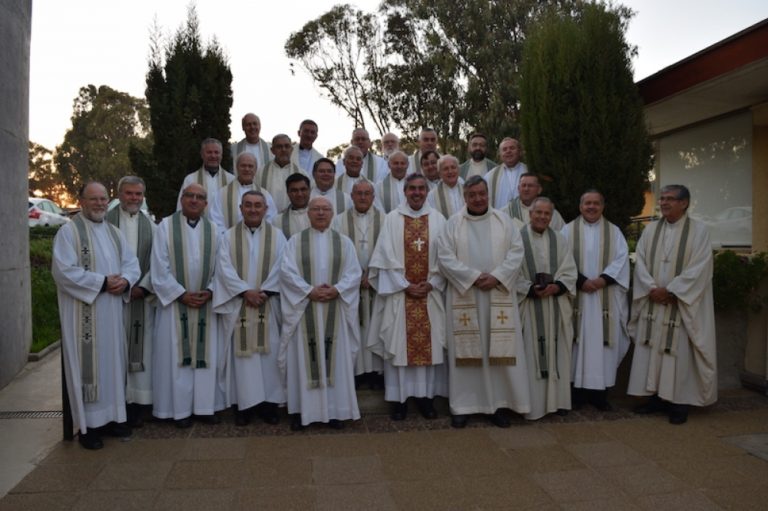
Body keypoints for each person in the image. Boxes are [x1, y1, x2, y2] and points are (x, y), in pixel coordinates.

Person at [437, 176, 530, 428]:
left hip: (497, 293)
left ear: (488, 194)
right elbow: (444, 257)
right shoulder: (452, 224)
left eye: (481, 193)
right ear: (464, 197)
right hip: (465, 294)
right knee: (466, 353)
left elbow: (516, 252)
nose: (478, 198)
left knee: (497, 351)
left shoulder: (504, 221)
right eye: (472, 194)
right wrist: (474, 277)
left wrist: (497, 276)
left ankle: (498, 405)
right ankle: (463, 406)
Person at [53, 182, 140, 449]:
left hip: (112, 312)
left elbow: (131, 263)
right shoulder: (69, 233)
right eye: (94, 199)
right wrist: (102, 283)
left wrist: (125, 281)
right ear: (81, 201)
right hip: (84, 313)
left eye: (103, 199)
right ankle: (88, 426)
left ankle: (114, 417)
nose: (100, 204)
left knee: (112, 363)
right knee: (87, 367)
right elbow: (63, 271)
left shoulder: (114, 233)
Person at [627, 184, 717, 425]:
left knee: (678, 353)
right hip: (654, 302)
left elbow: (701, 267)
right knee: (653, 348)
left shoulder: (698, 231)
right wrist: (651, 289)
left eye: (670, 199)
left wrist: (672, 291)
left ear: (684, 203)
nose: (663, 203)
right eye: (662, 199)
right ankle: (656, 397)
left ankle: (679, 402)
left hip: (681, 304)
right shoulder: (651, 230)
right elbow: (641, 261)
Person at [277, 196, 362, 430]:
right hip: (304, 309)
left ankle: (335, 412)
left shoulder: (343, 242)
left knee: (335, 359)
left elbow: (354, 273)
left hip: (335, 309)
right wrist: (308, 291)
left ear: (333, 213)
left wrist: (337, 290)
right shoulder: (295, 242)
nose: (321, 213)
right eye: (316, 209)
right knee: (303, 359)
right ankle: (301, 411)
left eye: (325, 209)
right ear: (308, 213)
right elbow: (286, 272)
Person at [368, 174, 448, 421]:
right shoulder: (393, 219)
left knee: (428, 348)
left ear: (427, 191)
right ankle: (399, 400)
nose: (416, 193)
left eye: (421, 189)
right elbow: (384, 257)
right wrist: (404, 285)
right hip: (400, 296)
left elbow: (446, 257)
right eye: (412, 188)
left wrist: (432, 283)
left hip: (429, 295)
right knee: (400, 347)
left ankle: (425, 399)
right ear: (404, 191)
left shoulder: (438, 219)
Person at [213, 191, 287, 426]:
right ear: (240, 208)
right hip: (240, 305)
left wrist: (264, 291)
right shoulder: (228, 237)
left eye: (258, 205)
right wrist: (245, 291)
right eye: (248, 205)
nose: (253, 209)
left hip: (268, 303)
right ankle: (243, 406)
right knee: (242, 357)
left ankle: (269, 405)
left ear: (266, 209)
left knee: (269, 354)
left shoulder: (277, 236)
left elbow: (283, 265)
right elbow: (223, 268)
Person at [152, 183, 223, 428]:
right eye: (190, 196)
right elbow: (159, 267)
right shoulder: (165, 228)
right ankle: (179, 410)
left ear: (206, 203)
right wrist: (180, 295)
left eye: (200, 197)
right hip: (175, 306)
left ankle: (205, 407)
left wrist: (212, 290)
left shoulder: (215, 231)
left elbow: (222, 267)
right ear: (182, 199)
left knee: (206, 356)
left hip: (206, 304)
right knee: (176, 358)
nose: (194, 200)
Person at [562, 190, 630, 411]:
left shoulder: (615, 232)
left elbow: (621, 260)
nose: (591, 207)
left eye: (596, 203)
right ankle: (577, 394)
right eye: (587, 203)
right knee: (576, 345)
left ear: (603, 206)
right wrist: (581, 281)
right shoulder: (567, 230)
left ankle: (600, 395)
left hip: (605, 297)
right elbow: (562, 260)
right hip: (578, 297)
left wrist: (602, 280)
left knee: (603, 347)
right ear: (580, 206)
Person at [516, 197, 577, 420]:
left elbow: (569, 270)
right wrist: (530, 289)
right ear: (530, 214)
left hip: (555, 307)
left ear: (551, 216)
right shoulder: (517, 239)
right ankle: (531, 405)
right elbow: (511, 273)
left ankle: (558, 402)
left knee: (558, 353)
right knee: (530, 355)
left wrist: (557, 287)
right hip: (529, 308)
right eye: (538, 213)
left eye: (546, 214)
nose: (542, 217)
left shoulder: (559, 240)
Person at [106, 176, 156, 428]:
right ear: (119, 194)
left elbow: (157, 260)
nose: (134, 198)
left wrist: (143, 286)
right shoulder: (106, 222)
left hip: (140, 299)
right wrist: (120, 285)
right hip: (112, 299)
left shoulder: (151, 225)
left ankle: (137, 403)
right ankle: (117, 403)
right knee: (115, 350)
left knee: (141, 348)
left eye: (138, 194)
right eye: (129, 193)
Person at [332, 181, 385, 388]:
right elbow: (336, 252)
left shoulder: (385, 219)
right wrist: (353, 278)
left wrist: (373, 276)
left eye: (367, 193)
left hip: (376, 285)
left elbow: (389, 250)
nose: (363, 197)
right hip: (350, 287)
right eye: (358, 193)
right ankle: (355, 372)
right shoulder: (338, 220)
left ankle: (376, 372)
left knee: (375, 326)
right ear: (351, 196)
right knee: (354, 327)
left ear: (373, 197)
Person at [209, 152, 277, 234]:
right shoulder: (222, 194)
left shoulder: (265, 195)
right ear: (237, 168)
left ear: (255, 169)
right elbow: (216, 221)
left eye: (250, 166)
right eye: (243, 166)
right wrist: (229, 238)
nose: (247, 169)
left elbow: (271, 219)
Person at [176, 138, 234, 212]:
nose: (213, 156)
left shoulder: (231, 180)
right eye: (209, 152)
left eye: (216, 152)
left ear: (221, 155)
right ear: (202, 154)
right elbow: (181, 207)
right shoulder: (190, 179)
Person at [258, 134, 304, 213]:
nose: (283, 150)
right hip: (267, 218)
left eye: (287, 146)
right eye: (279, 147)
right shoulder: (260, 173)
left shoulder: (302, 174)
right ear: (272, 150)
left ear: (291, 149)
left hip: (292, 218)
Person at [484, 138, 527, 208]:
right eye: (504, 149)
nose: (508, 151)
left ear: (519, 151)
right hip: (500, 216)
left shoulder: (528, 171)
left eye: (512, 148)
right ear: (500, 155)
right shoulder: (490, 176)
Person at [271, 173, 311, 238]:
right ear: (288, 193)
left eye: (303, 189)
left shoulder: (321, 216)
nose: (299, 194)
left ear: (309, 190)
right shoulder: (278, 221)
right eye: (294, 190)